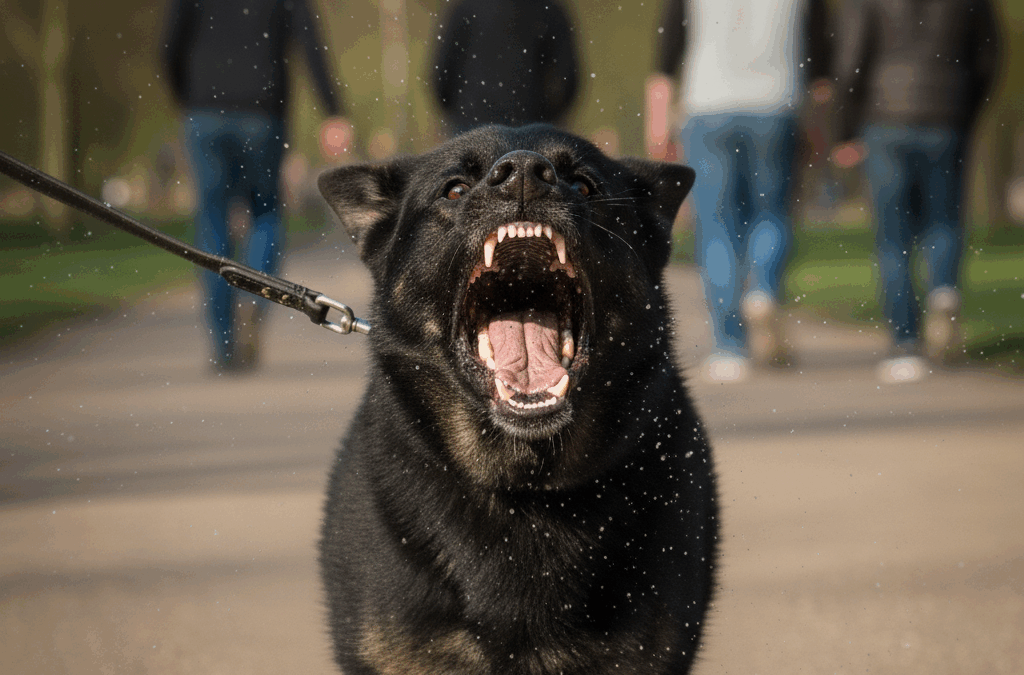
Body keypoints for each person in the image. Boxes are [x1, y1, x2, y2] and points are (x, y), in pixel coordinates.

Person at [162, 0, 353, 372]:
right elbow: (310, 42)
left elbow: (169, 46)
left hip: (205, 111)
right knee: (265, 212)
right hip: (261, 111)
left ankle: (224, 341)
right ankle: (256, 301)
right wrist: (333, 110)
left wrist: (189, 95)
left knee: (213, 221)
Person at [649, 0, 831, 382]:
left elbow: (666, 56)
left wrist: (658, 125)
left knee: (716, 225)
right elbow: (821, 61)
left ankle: (729, 347)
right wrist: (821, 125)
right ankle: (762, 289)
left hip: (708, 107)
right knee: (773, 212)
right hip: (776, 105)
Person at [831, 0, 1001, 384]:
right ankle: (943, 291)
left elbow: (851, 59)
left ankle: (905, 344)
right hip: (947, 114)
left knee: (893, 235)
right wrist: (964, 108)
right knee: (944, 217)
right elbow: (988, 56)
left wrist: (845, 128)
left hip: (884, 116)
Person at [431, 0, 580, 135]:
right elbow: (568, 78)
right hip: (529, 127)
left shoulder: (464, 8)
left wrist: (456, 115)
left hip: (470, 125)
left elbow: (441, 74)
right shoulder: (549, 10)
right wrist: (548, 118)